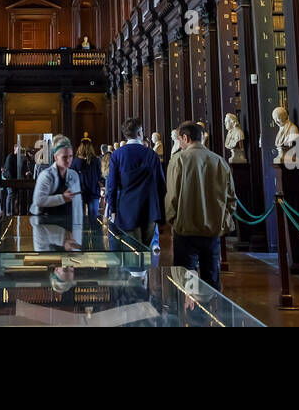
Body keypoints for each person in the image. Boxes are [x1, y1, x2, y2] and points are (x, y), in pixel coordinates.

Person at [164, 120, 236, 291]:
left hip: (185, 231)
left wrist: (172, 221)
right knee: (211, 280)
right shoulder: (219, 161)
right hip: (212, 231)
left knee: (187, 284)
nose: (179, 144)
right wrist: (221, 221)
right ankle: (211, 314)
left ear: (185, 138)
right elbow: (231, 199)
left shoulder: (178, 160)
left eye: (179, 140)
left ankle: (190, 316)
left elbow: (172, 197)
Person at [105, 117, 166, 246]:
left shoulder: (117, 155)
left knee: (132, 253)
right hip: (149, 209)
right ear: (139, 133)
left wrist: (113, 210)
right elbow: (161, 185)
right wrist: (161, 213)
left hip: (127, 209)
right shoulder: (151, 154)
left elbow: (112, 186)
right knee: (146, 250)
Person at [31, 135, 83, 223]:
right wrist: (62, 198)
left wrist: (78, 226)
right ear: (56, 157)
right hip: (47, 224)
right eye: (64, 157)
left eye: (70, 156)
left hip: (68, 223)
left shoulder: (74, 175)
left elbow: (77, 204)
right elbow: (38, 200)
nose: (68, 160)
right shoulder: (46, 176)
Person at [74, 136, 103, 220]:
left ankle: (82, 233)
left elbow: (72, 176)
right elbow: (99, 175)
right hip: (93, 190)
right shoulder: (96, 160)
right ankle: (94, 233)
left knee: (80, 219)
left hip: (79, 191)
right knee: (93, 219)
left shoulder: (76, 161)